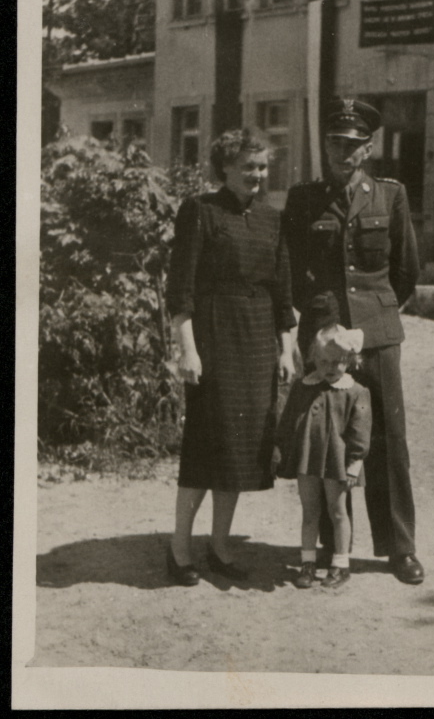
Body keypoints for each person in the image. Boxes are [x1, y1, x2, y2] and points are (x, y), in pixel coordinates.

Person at [283, 98, 424, 585]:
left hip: (377, 336)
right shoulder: (304, 199)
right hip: (324, 334)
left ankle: (399, 548)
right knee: (325, 439)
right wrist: (321, 319)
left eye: (351, 145)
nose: (341, 153)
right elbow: (292, 269)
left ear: (367, 149)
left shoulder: (389, 195)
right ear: (324, 146)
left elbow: (405, 270)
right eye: (334, 143)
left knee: (388, 439)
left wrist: (373, 318)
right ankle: (331, 545)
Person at [165, 127, 296, 586]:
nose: (257, 175)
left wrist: (286, 348)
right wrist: (188, 350)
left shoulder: (271, 218)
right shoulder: (200, 211)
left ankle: (220, 547)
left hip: (257, 342)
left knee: (239, 449)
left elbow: (282, 291)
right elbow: (180, 290)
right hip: (215, 339)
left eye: (262, 167)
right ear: (224, 167)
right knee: (206, 445)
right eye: (247, 167)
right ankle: (180, 548)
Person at [272, 325, 371, 589]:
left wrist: (354, 464)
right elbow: (288, 421)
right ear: (313, 358)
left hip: (337, 462)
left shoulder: (356, 391)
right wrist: (279, 450)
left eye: (337, 362)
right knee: (309, 511)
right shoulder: (303, 387)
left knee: (337, 512)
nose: (330, 367)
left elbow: (361, 432)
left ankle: (341, 564)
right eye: (324, 361)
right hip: (307, 459)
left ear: (349, 360)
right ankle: (308, 563)